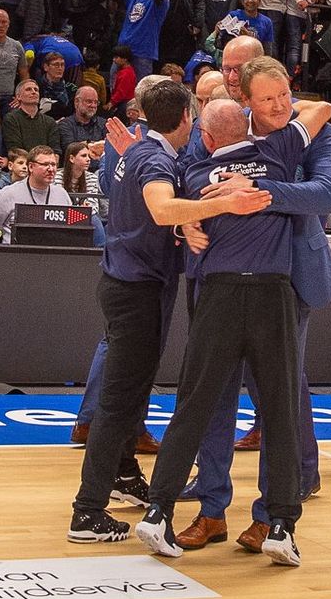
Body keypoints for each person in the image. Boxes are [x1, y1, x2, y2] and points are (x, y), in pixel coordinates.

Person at [135, 63, 331, 564]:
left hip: (219, 296)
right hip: (270, 294)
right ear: (246, 118)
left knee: (192, 406)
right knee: (280, 411)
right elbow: (321, 110)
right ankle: (281, 526)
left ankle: (157, 512)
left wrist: (199, 214)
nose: (280, 106)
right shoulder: (278, 149)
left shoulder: (195, 174)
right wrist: (240, 201)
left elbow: (170, 207)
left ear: (205, 137)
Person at [69, 80, 273, 545]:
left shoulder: (138, 151)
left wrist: (189, 218)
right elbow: (161, 209)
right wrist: (225, 203)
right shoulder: (155, 160)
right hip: (137, 289)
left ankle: (124, 474)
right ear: (186, 118)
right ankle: (87, 511)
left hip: (124, 279)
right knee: (119, 401)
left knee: (132, 393)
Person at [0, 144, 72, 243]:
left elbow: (72, 231)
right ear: (31, 167)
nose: (51, 169)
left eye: (53, 164)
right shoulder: (8, 193)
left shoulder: (62, 195)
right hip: (16, 251)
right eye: (45, 164)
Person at [55, 140, 106, 246]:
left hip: (85, 216)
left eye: (88, 156)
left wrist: (82, 210)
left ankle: (101, 250)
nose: (88, 159)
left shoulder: (92, 177)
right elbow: (59, 205)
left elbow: (93, 207)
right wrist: (81, 210)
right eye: (83, 156)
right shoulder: (57, 176)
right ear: (71, 158)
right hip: (62, 216)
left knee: (94, 218)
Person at [3, 79, 58, 152]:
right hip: (21, 158)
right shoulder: (11, 119)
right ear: (18, 96)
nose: (33, 92)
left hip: (47, 159)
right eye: (28, 89)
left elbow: (56, 150)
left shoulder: (50, 121)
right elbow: (15, 149)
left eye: (36, 90)